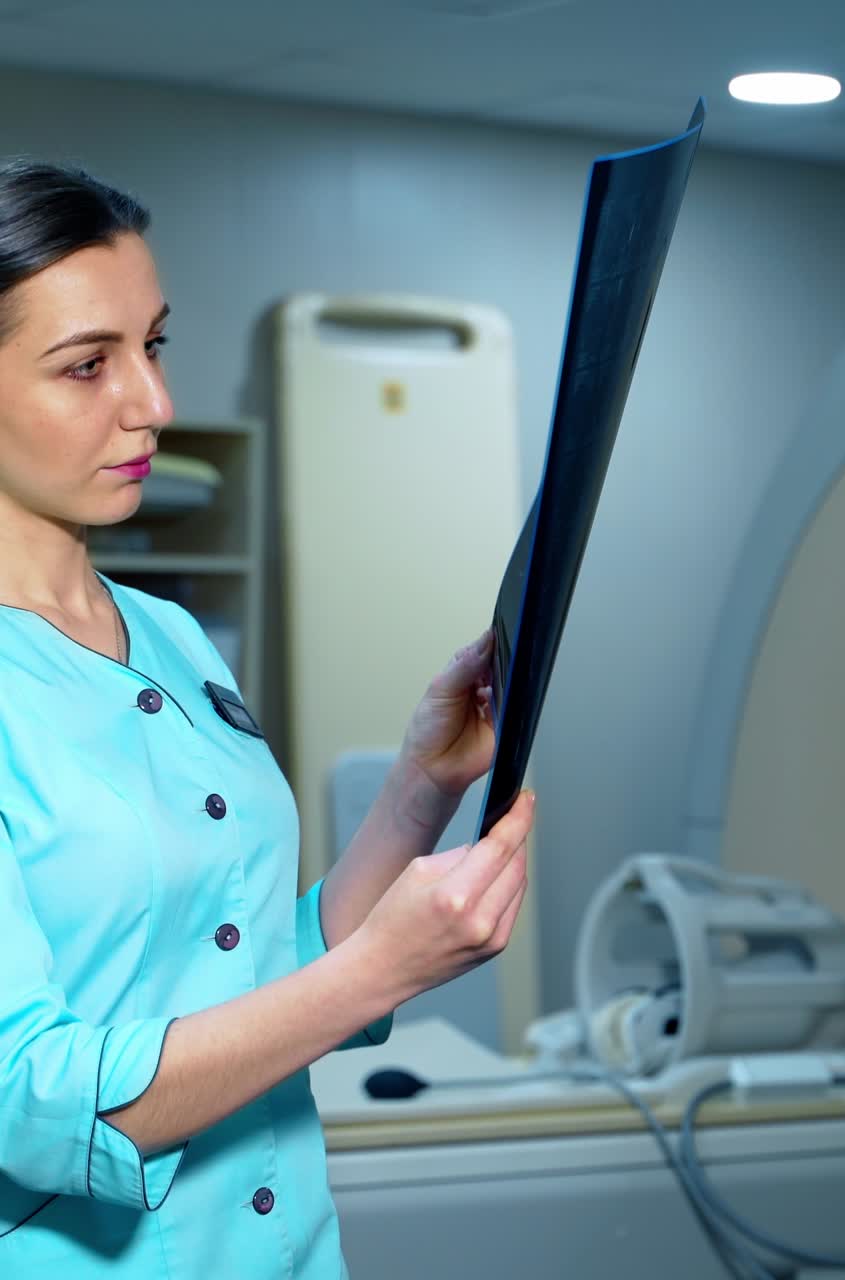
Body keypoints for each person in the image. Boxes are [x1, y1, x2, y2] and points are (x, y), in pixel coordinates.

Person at [0, 158, 533, 1276]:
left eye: (153, 346)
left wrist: (417, 791)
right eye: (87, 364)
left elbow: (248, 970)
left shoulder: (171, 635)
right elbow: (28, 1099)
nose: (152, 404)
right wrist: (377, 973)